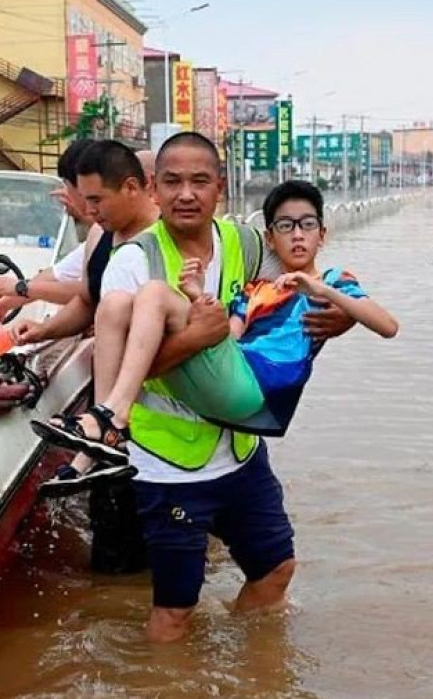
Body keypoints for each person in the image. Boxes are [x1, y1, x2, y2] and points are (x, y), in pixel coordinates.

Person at [36, 132, 354, 642]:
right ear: (154, 191)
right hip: (170, 465)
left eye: (199, 181)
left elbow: (302, 284)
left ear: (220, 190)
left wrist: (340, 316)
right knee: (174, 610)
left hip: (241, 450)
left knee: (276, 571)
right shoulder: (134, 262)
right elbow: (124, 373)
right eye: (174, 182)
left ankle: (240, 680)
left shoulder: (247, 244)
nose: (187, 194)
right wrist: (194, 340)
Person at [32, 178, 397, 454]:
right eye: (286, 226)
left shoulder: (335, 282)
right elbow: (226, 340)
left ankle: (114, 417)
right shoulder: (256, 289)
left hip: (258, 390)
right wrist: (196, 296)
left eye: (307, 225)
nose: (297, 235)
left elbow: (387, 326)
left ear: (323, 234)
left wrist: (322, 291)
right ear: (270, 238)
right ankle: (99, 443)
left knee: (156, 292)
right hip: (230, 379)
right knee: (117, 304)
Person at [6, 140, 163, 495]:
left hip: (156, 410)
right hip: (111, 399)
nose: (89, 210)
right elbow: (88, 301)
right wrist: (41, 331)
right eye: (85, 199)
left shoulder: (168, 240)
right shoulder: (101, 235)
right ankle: (97, 445)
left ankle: (102, 439)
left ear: (135, 187)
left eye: (96, 200)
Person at [0, 138, 103, 322]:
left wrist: (18, 288)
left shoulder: (109, 235)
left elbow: (88, 293)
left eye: (68, 190)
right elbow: (57, 275)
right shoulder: (98, 236)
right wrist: (4, 304)